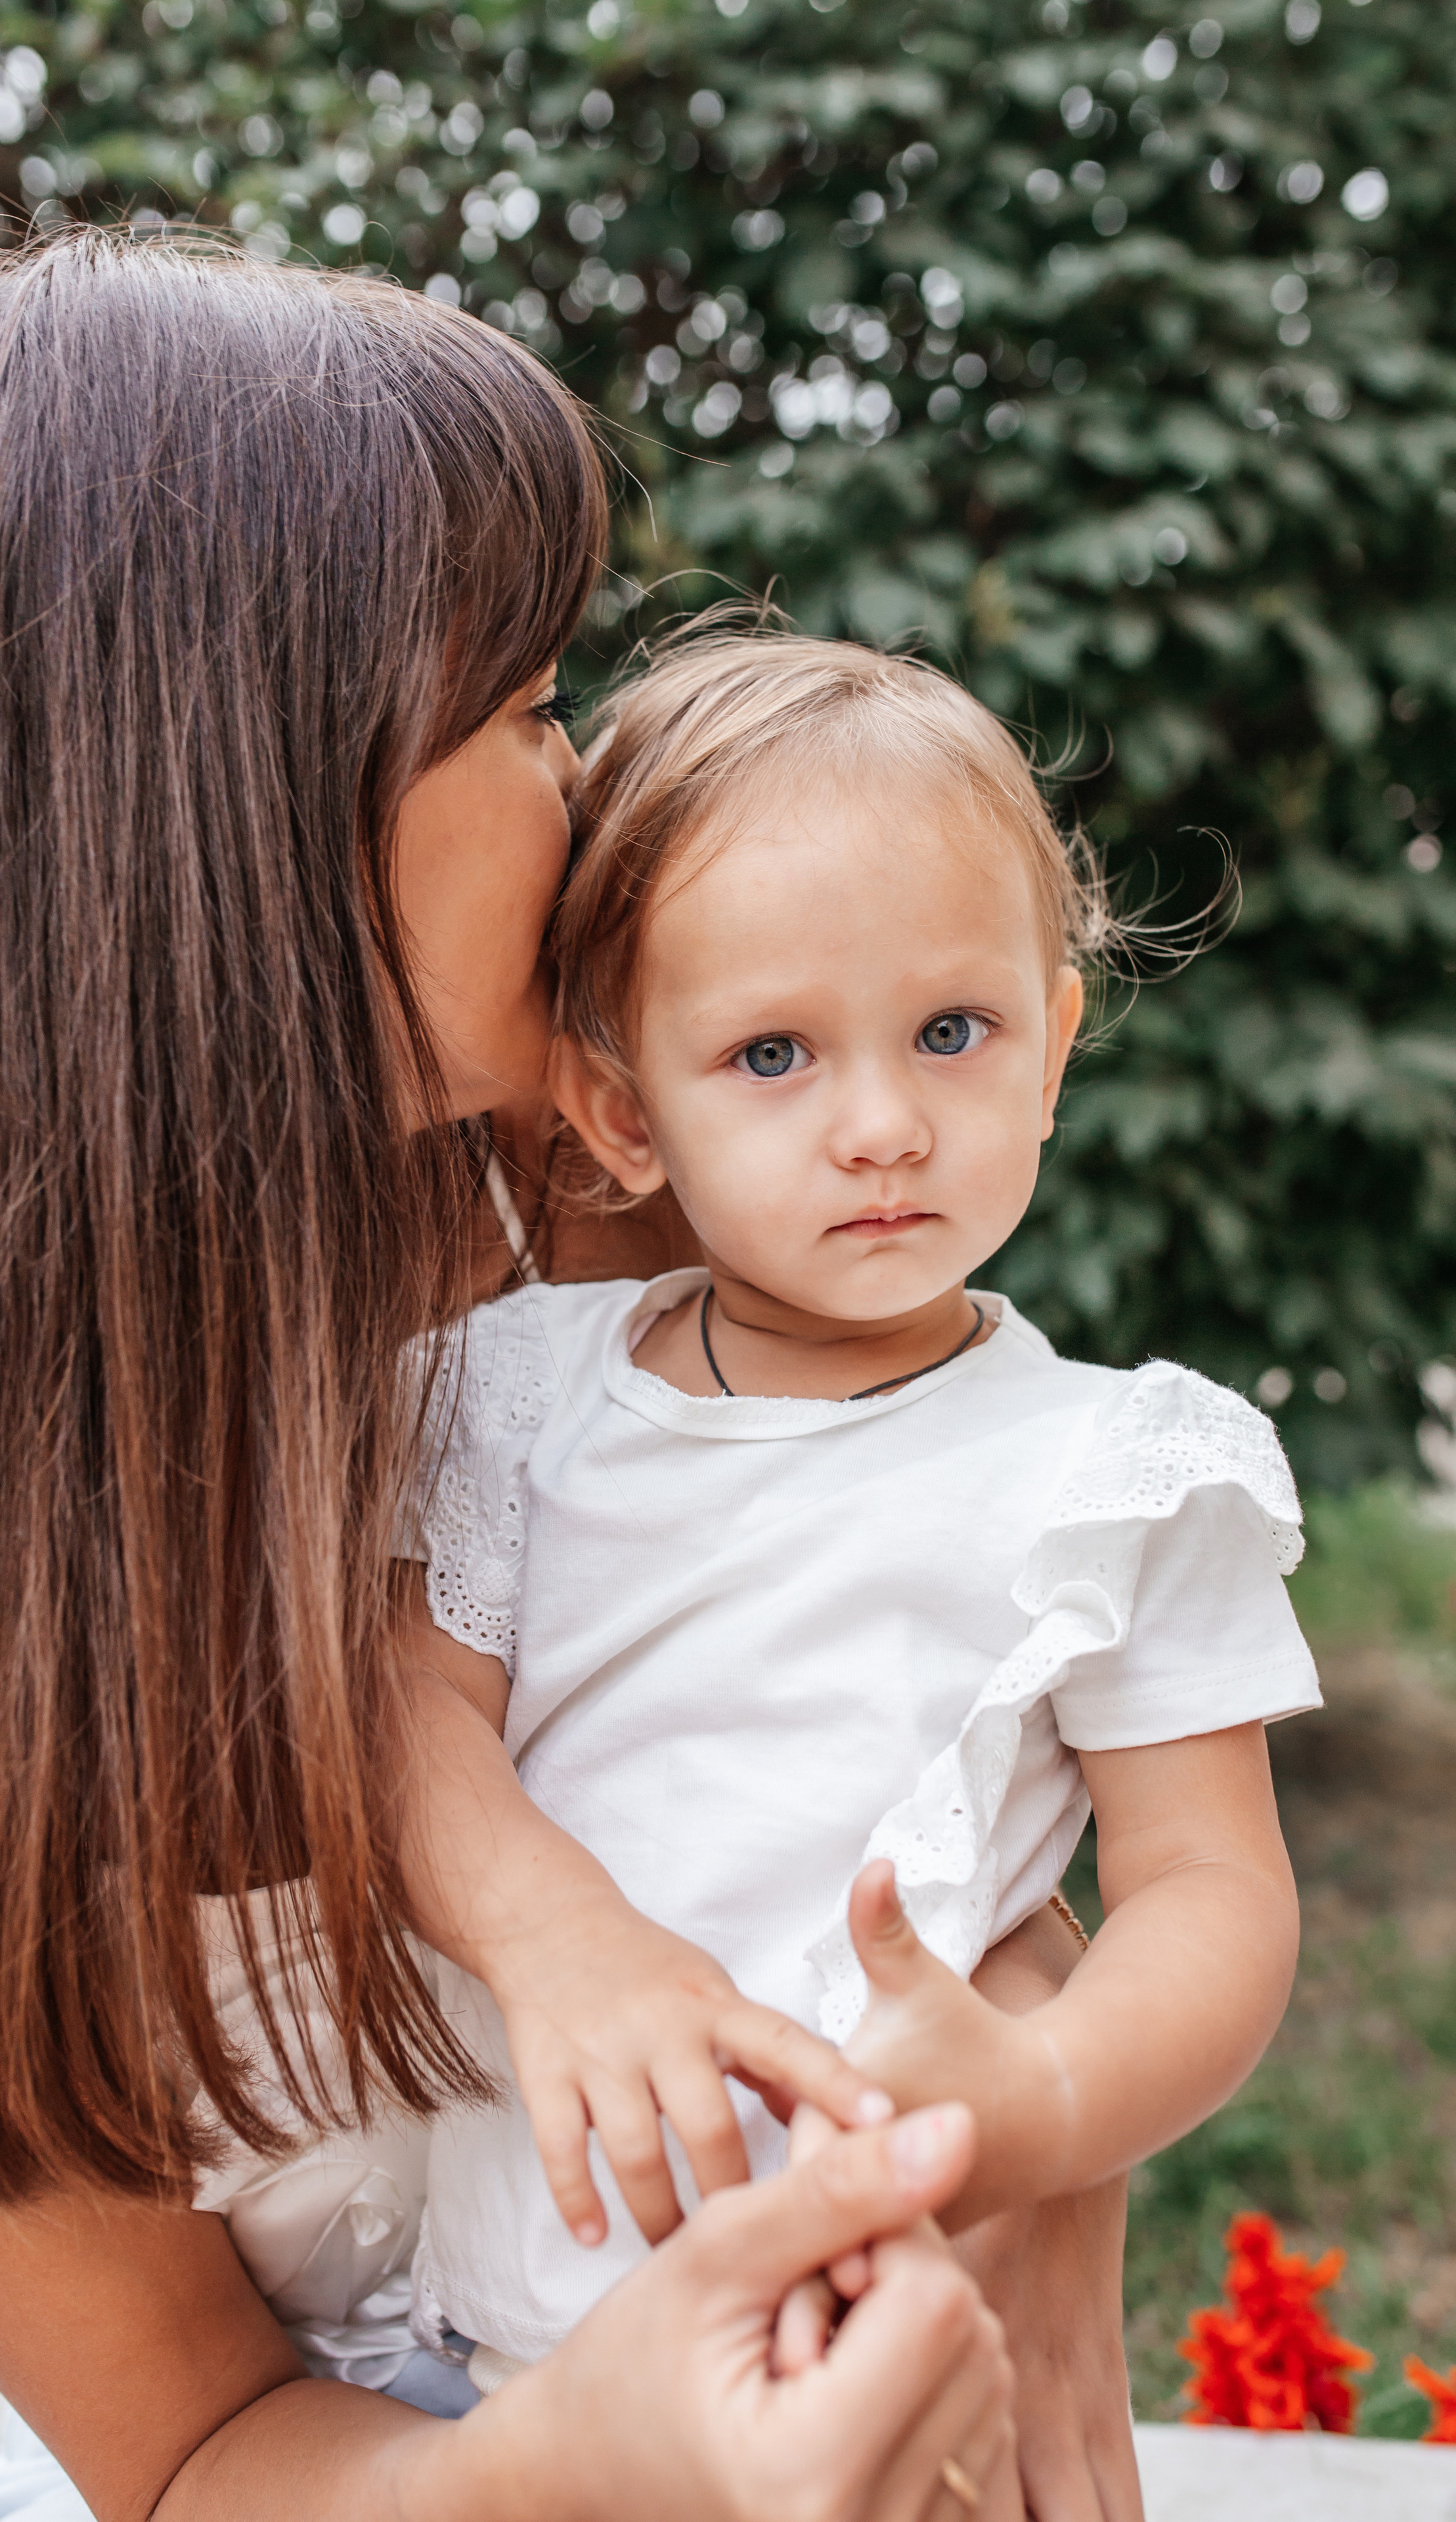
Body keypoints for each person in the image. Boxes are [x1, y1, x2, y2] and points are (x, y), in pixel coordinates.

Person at [0, 236, 1126, 2522]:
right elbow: (189, 2450)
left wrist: (1044, 2225)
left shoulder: (595, 1217)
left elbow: (923, 1771)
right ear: (230, 822)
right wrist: (596, 2465)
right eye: (515, 712)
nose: (584, 769)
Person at [393, 633, 1319, 2385]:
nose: (885, 1126)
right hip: (502, 2337)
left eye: (952, 1033)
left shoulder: (1110, 1472)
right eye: (772, 1056)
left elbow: (1211, 1890)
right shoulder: (520, 1392)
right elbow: (401, 1718)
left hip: (881, 2354)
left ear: (1053, 1051)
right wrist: (557, 1929)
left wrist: (1049, 2094)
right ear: (618, 1109)